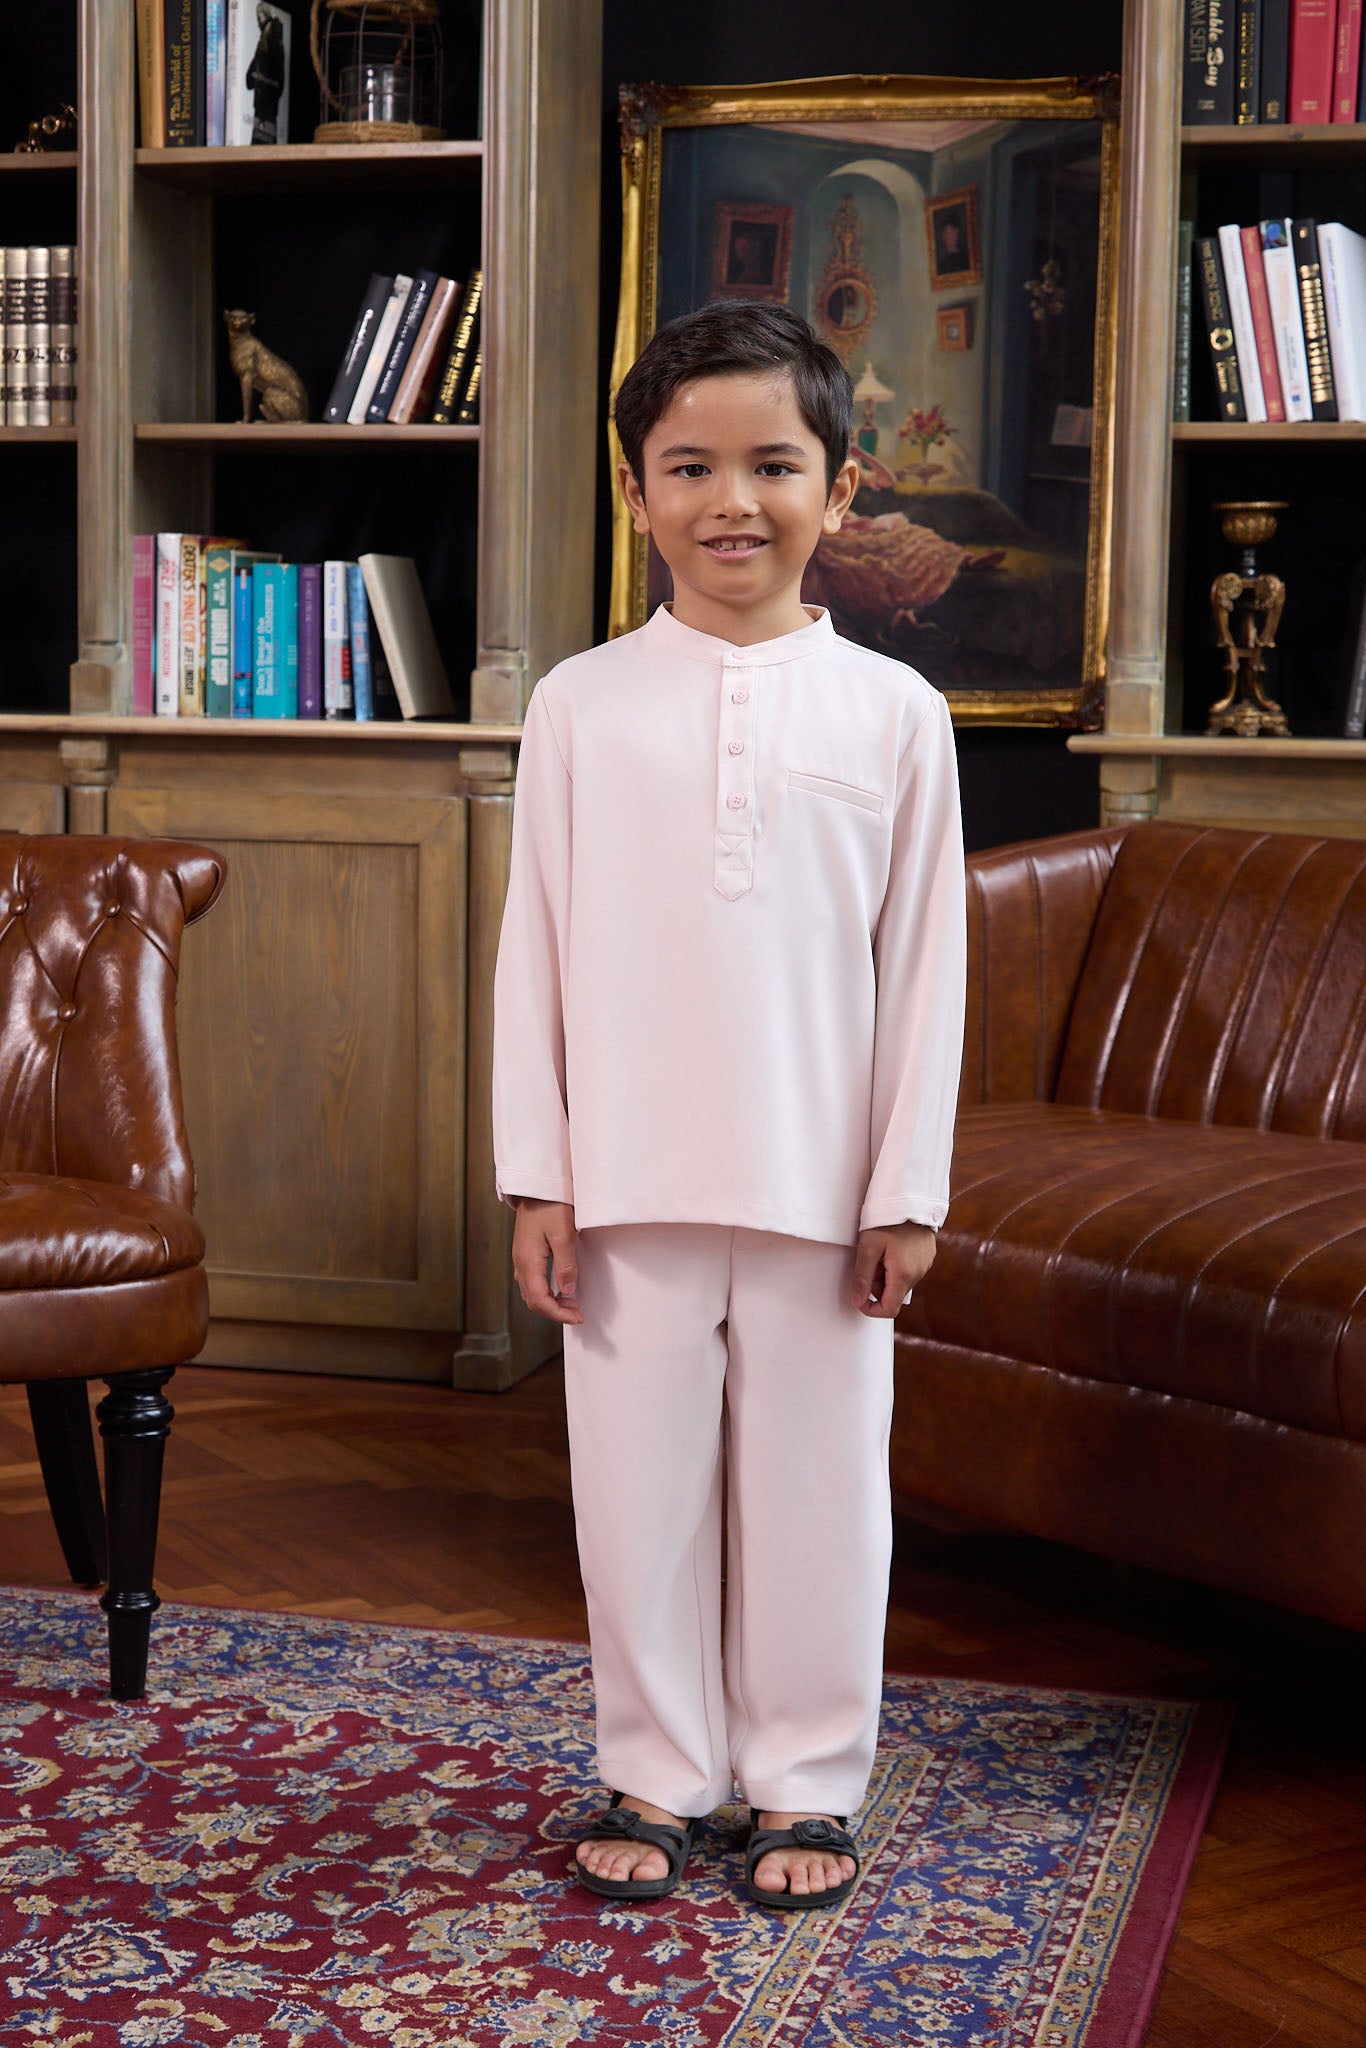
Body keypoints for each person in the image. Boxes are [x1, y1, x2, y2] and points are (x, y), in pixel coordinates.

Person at [492, 300, 965, 1910]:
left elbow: (925, 975)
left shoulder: (896, 717)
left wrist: (907, 1188)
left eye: (773, 464)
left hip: (825, 1186)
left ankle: (806, 1783)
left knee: (826, 1495)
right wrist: (534, 1175)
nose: (729, 502)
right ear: (634, 492)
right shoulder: (575, 704)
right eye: (686, 466)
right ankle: (657, 1768)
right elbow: (532, 956)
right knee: (634, 1495)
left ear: (842, 490)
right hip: (621, 1179)